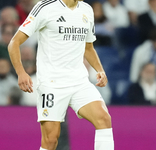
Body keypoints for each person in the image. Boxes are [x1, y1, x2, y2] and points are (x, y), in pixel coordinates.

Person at [8, 0, 114, 150]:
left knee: (104, 119)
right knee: (51, 140)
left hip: (79, 82)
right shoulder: (45, 7)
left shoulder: (87, 10)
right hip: (52, 83)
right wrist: (21, 72)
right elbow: (14, 42)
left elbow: (88, 47)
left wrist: (100, 70)